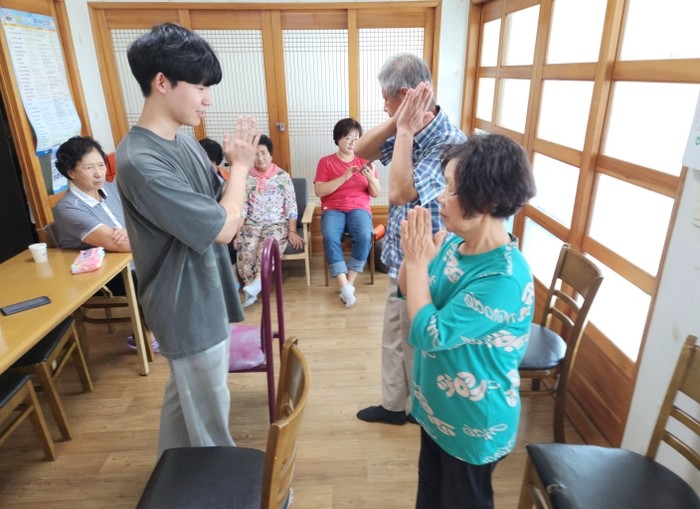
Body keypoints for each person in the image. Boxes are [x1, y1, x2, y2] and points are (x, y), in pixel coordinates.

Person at [115, 23, 259, 458]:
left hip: (205, 292)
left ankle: (170, 474)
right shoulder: (140, 161)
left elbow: (223, 207)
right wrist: (241, 168)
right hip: (184, 306)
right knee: (210, 424)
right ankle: (225, 487)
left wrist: (234, 178)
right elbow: (223, 227)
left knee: (185, 403)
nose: (207, 99)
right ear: (162, 82)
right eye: (199, 87)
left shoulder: (184, 142)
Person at [399, 134, 536, 508]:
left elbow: (429, 333)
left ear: (488, 200)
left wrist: (417, 264)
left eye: (451, 189)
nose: (440, 198)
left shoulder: (504, 278)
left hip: (474, 424)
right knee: (430, 498)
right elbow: (410, 293)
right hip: (437, 409)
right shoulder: (453, 244)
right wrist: (414, 259)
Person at [354, 53, 466, 425]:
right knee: (394, 333)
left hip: (428, 263)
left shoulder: (447, 140)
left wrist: (402, 130)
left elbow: (401, 192)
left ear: (403, 95)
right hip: (401, 254)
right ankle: (393, 406)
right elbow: (361, 150)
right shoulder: (410, 127)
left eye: (387, 100)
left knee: (414, 338)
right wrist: (399, 122)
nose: (383, 107)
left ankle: (420, 408)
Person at [53, 135, 160, 353]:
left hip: (132, 259)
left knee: (173, 260)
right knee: (156, 268)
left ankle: (167, 324)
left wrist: (132, 233)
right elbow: (118, 244)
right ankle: (148, 334)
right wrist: (135, 235)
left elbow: (142, 218)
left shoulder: (110, 189)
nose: (98, 173)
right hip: (104, 275)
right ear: (71, 173)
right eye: (89, 167)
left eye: (101, 165)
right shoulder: (69, 208)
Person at [314, 118, 380, 308]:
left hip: (359, 208)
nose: (352, 143)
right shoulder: (326, 162)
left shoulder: (366, 162)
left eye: (356, 138)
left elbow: (375, 193)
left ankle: (348, 285)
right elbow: (319, 191)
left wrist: (371, 179)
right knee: (330, 236)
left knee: (365, 236)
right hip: (333, 208)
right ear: (337, 138)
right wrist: (344, 177)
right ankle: (343, 284)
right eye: (348, 138)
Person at [236, 134, 303, 307]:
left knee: (265, 248)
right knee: (247, 248)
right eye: (255, 154)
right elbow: (243, 208)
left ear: (271, 155)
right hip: (251, 224)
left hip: (276, 224)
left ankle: (258, 283)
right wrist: (237, 233)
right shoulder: (247, 178)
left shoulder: (283, 177)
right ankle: (250, 288)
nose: (260, 157)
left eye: (263, 153)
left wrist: (292, 231)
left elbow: (291, 206)